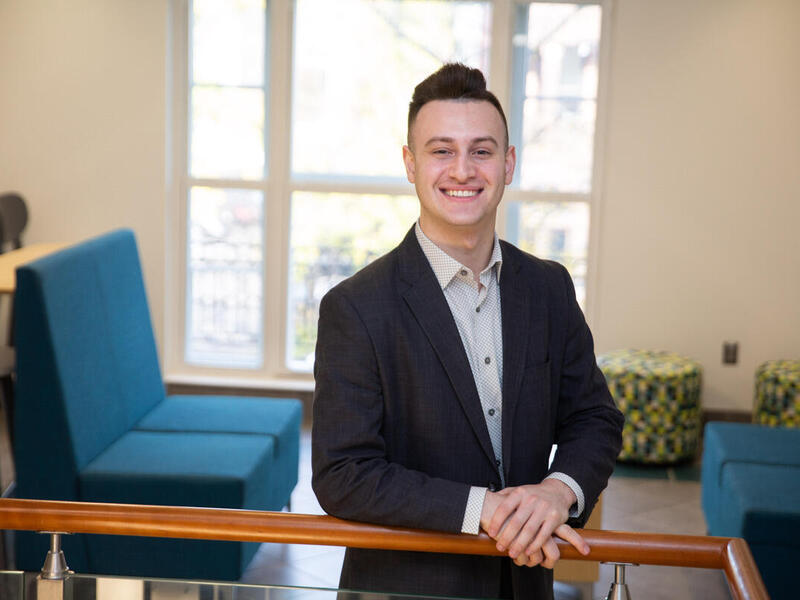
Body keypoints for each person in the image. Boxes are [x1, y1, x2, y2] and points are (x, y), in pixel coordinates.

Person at [311, 63, 623, 600]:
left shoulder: (550, 288)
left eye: (481, 150)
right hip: (406, 588)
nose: (462, 170)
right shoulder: (356, 306)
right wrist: (485, 509)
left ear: (509, 164)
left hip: (525, 586)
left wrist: (557, 490)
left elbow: (594, 418)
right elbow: (344, 473)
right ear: (410, 164)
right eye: (440, 150)